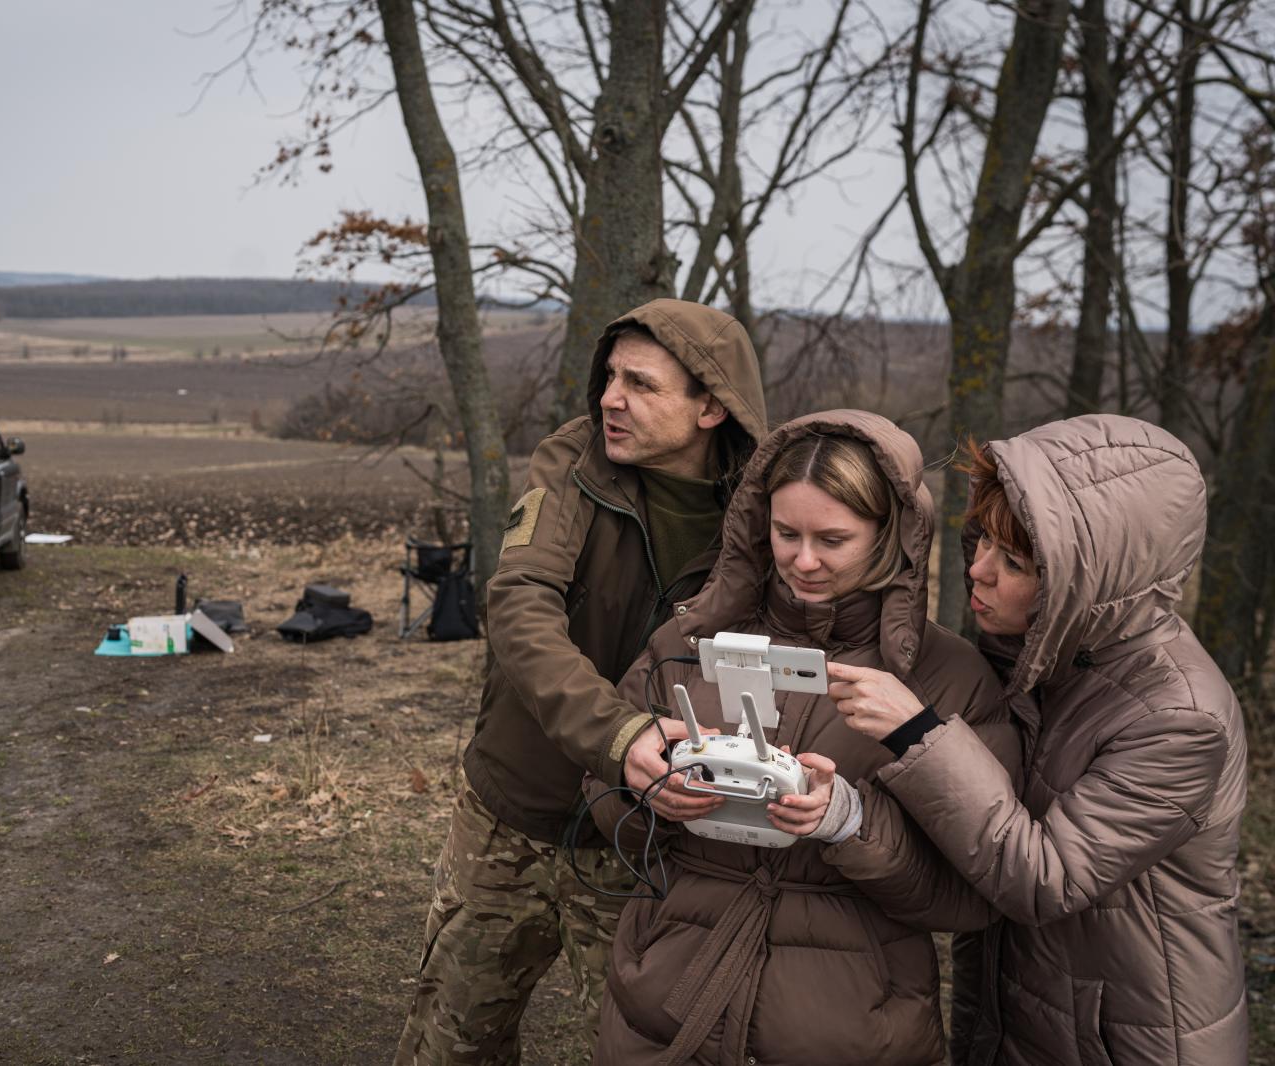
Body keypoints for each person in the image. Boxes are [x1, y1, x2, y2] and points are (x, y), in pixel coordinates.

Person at [394, 299, 768, 1064]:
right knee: (453, 1039)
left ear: (710, 409)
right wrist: (621, 735)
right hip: (512, 812)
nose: (609, 398)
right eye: (608, 377)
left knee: (654, 1048)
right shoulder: (571, 463)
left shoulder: (761, 518)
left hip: (645, 840)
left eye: (640, 383)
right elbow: (520, 606)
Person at [588, 411, 1019, 1065]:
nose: (803, 560)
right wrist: (639, 784)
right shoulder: (689, 641)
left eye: (833, 539)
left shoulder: (949, 679)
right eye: (785, 533)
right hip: (665, 1011)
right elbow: (597, 788)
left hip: (847, 1031)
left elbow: (973, 890)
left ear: (890, 537)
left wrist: (847, 820)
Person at [824, 414, 1249, 1065]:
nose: (978, 572)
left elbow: (1043, 879)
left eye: (1016, 560)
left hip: (1132, 1039)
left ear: (1092, 578)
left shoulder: (1179, 718)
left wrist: (917, 733)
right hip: (1029, 1016)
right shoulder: (1043, 660)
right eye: (982, 543)